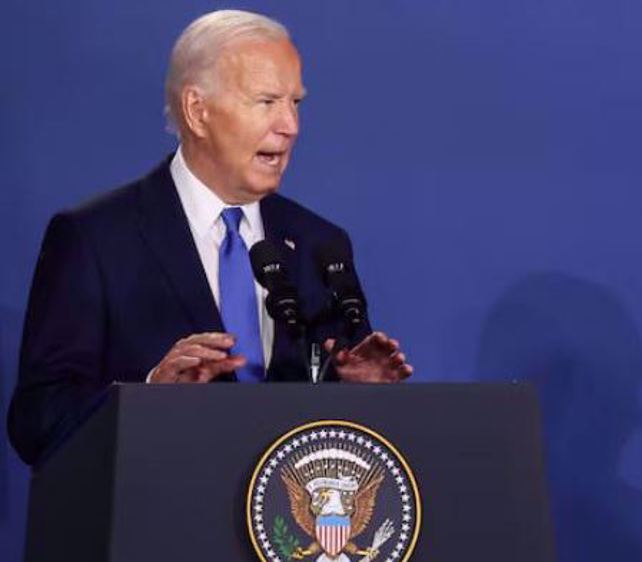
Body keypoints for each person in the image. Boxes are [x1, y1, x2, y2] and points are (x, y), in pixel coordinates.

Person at [7, 10, 412, 467]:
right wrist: (148, 397)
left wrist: (363, 398)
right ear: (197, 111)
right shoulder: (95, 239)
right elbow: (37, 420)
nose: (290, 126)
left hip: (283, 528)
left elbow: (336, 434)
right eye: (266, 101)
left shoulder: (319, 244)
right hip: (154, 522)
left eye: (295, 103)